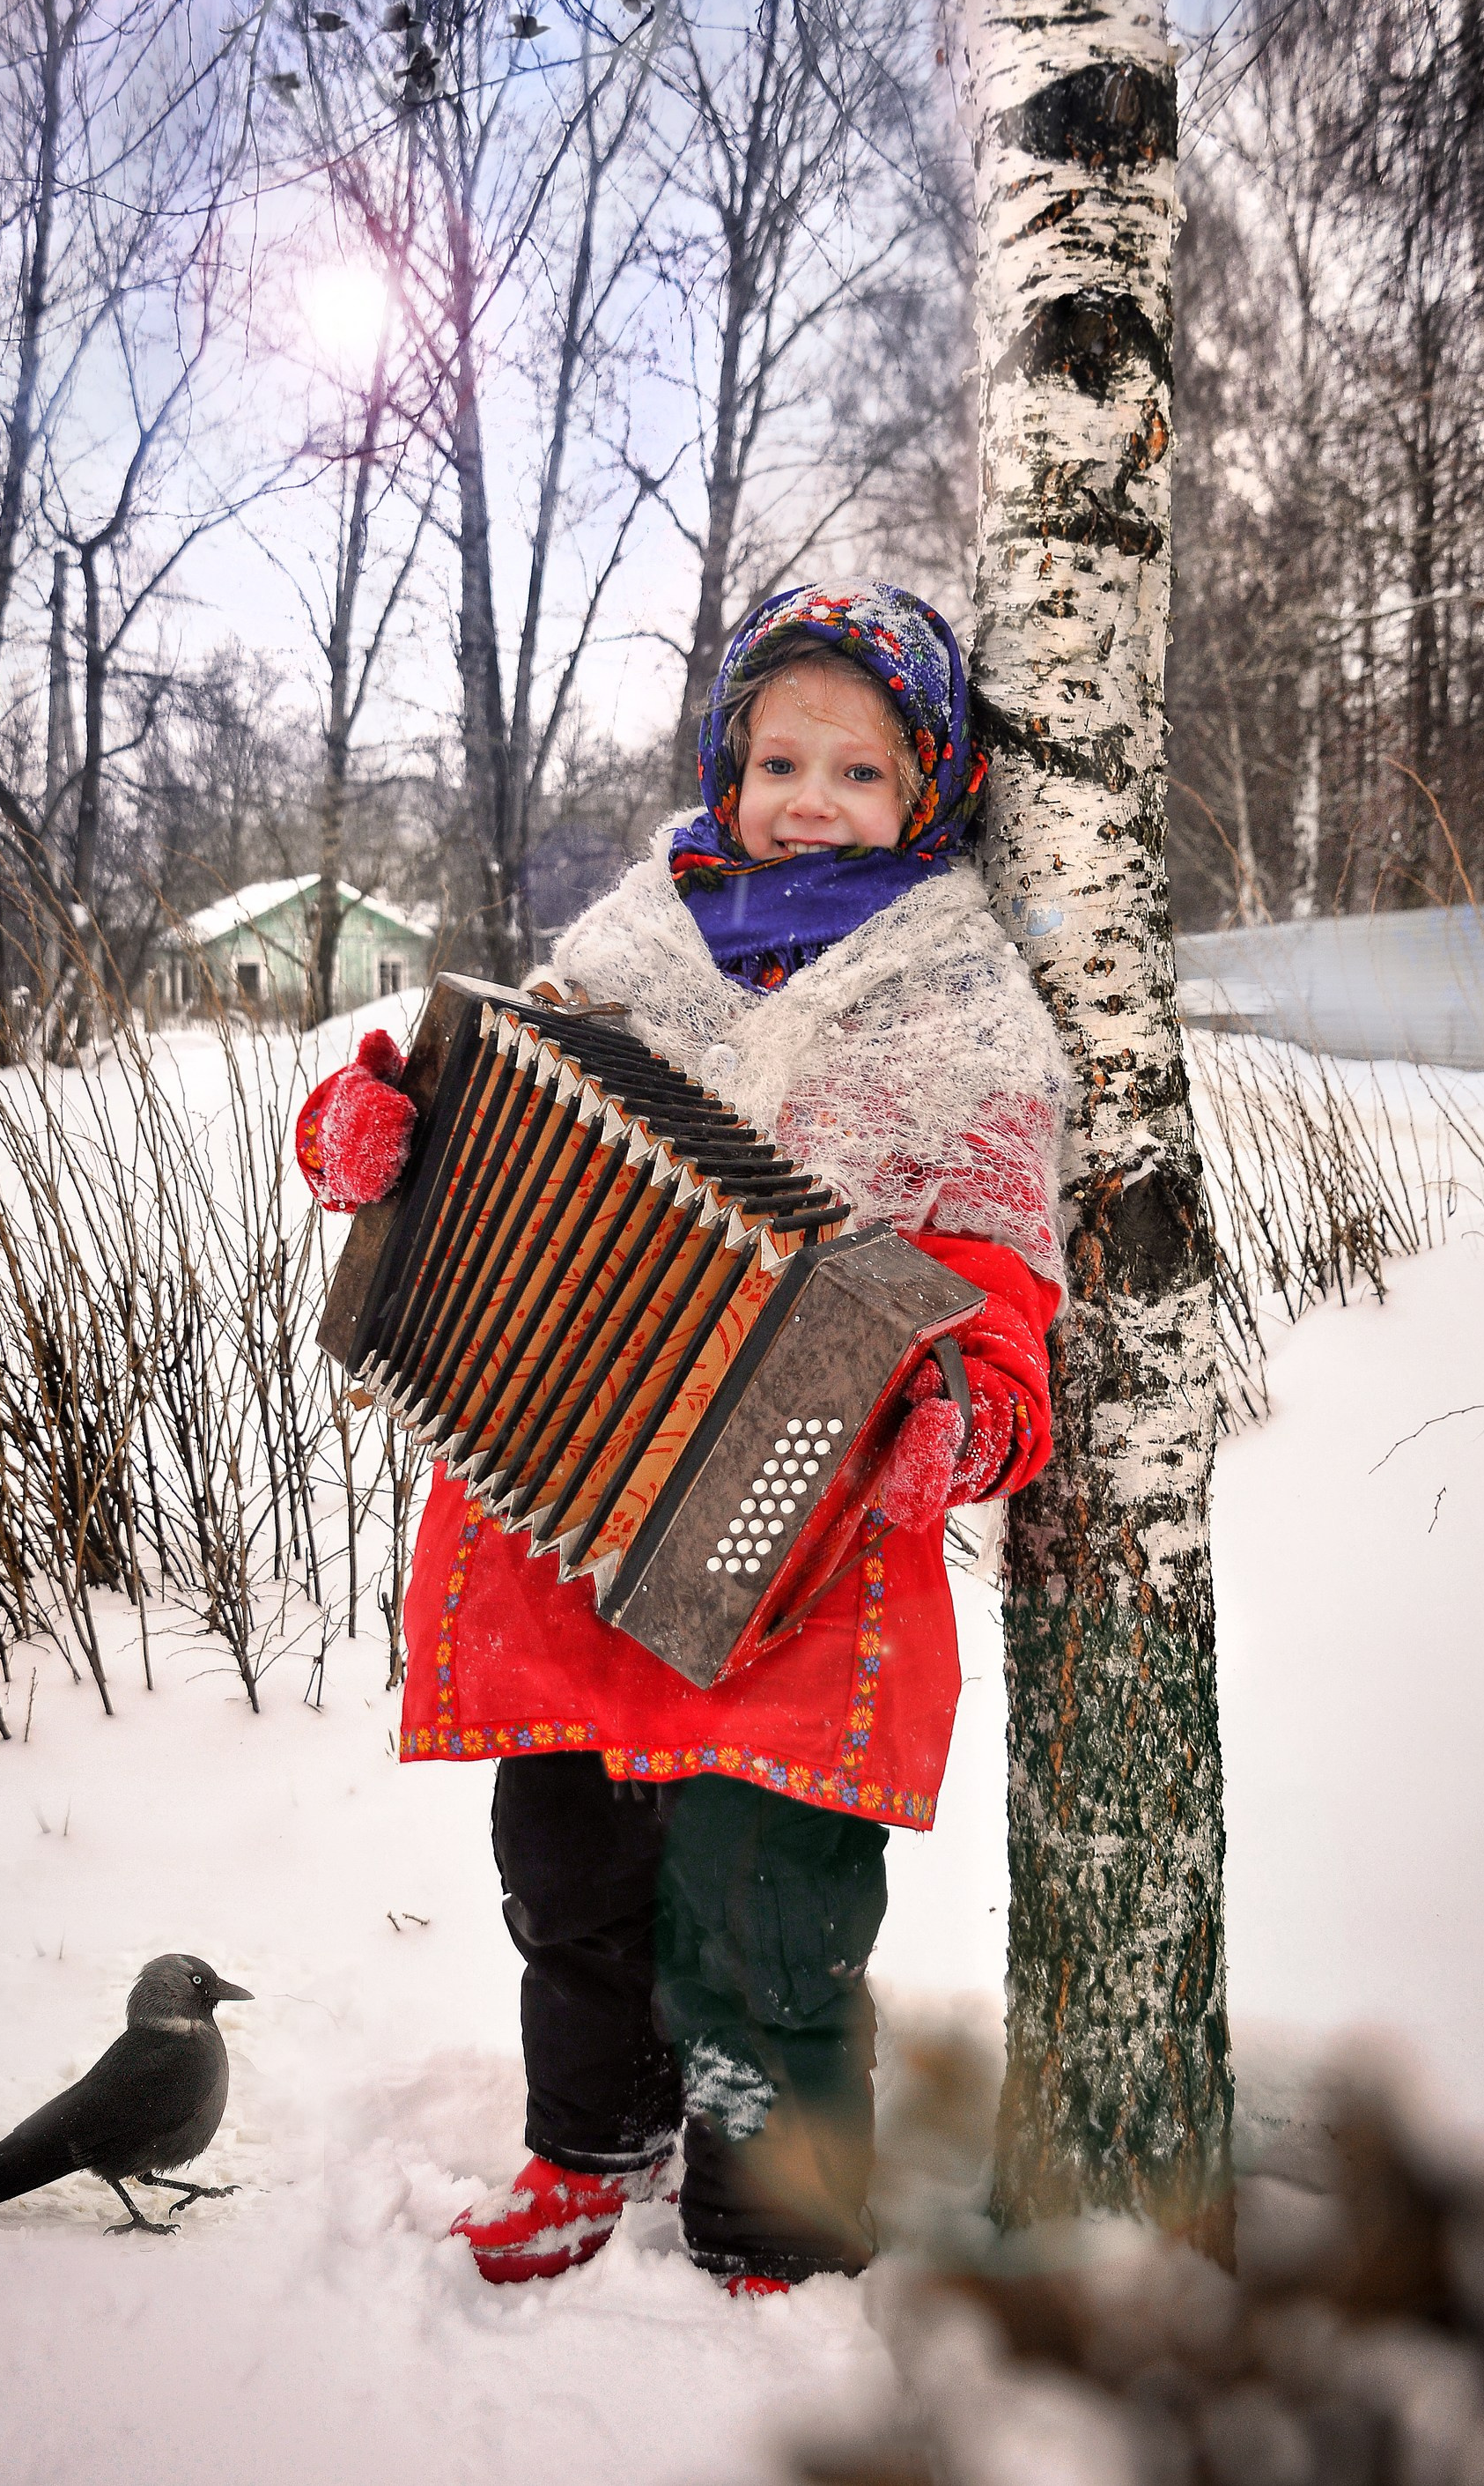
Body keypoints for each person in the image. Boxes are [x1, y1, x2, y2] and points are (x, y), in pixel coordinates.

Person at [299, 581, 1069, 2297]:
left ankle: (770, 2207)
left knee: (769, 1913)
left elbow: (998, 1285)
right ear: (725, 766)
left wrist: (961, 1408)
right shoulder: (631, 947)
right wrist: (369, 1135)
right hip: (578, 1505)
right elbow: (481, 1125)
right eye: (777, 754)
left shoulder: (967, 1017)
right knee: (567, 1879)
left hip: (801, 1539)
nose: (808, 793)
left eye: (857, 768)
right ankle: (587, 2141)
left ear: (929, 790)